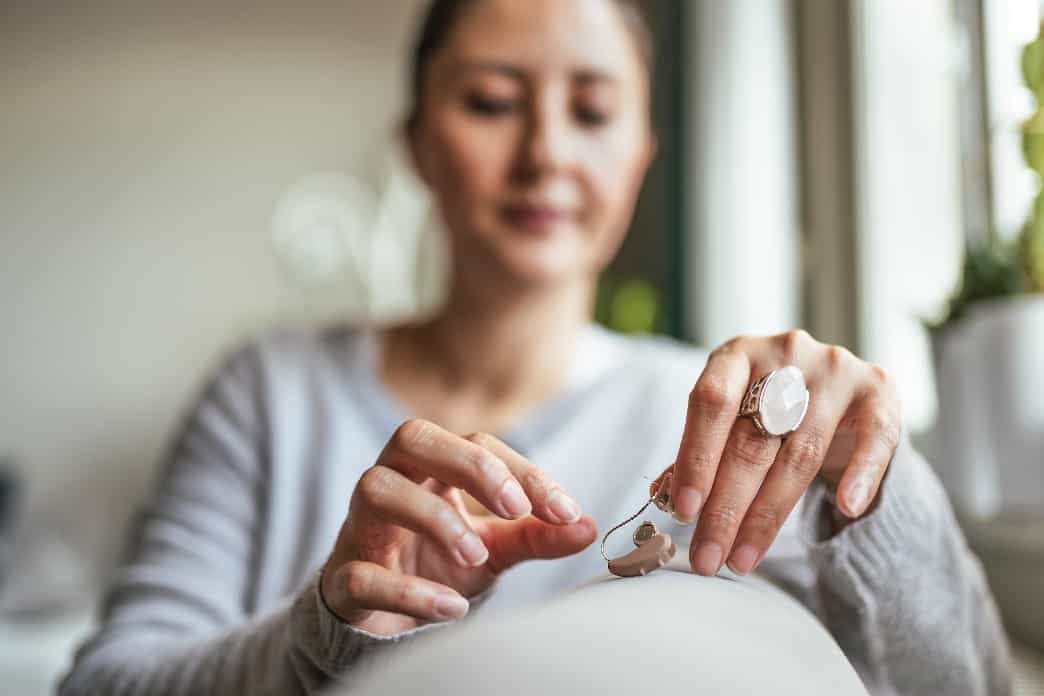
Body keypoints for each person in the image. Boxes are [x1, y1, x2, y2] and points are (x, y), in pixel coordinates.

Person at [59, 1, 1012, 694]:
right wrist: (331, 630)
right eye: (490, 102)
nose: (547, 152)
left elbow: (962, 685)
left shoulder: (730, 433)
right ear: (419, 143)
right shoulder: (270, 393)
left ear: (642, 151)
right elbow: (105, 684)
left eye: (592, 112)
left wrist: (873, 492)